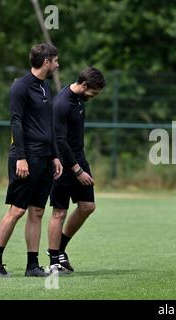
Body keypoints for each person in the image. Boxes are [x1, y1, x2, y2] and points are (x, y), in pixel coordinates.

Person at [0, 43, 63, 277]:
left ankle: (32, 265)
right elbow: (16, 122)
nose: (58, 64)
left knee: (37, 211)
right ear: (46, 61)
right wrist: (21, 157)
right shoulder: (20, 86)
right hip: (25, 157)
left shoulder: (46, 87)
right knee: (17, 210)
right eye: (55, 60)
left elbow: (48, 124)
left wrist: (55, 155)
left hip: (44, 157)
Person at [47, 67, 106, 273]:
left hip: (79, 158)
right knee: (59, 211)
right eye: (93, 92)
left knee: (87, 206)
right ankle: (54, 260)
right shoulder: (62, 103)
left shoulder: (80, 98)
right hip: (63, 164)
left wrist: (81, 165)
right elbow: (60, 141)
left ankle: (60, 249)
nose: (94, 96)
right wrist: (78, 170)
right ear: (83, 85)